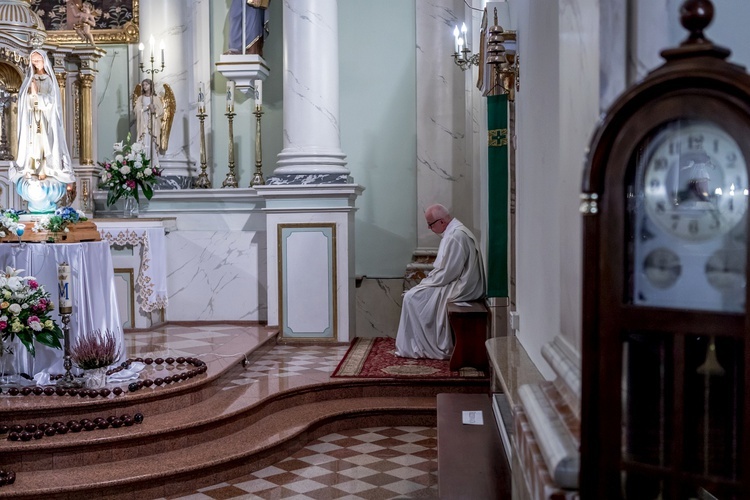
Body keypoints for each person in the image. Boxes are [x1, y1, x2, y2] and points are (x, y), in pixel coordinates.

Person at [395, 204, 486, 360]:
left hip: (462, 286)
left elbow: (448, 273)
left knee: (412, 298)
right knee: (413, 296)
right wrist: (428, 281)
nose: (429, 228)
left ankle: (424, 346)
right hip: (456, 281)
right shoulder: (453, 232)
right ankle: (416, 344)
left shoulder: (456, 236)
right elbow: (447, 270)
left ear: (442, 221)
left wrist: (426, 283)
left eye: (430, 224)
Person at [10, 49, 75, 212]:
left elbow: (52, 104)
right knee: (33, 145)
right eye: (33, 61)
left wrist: (37, 95)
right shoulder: (29, 79)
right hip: (32, 120)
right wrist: (30, 95)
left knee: (45, 144)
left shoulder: (49, 80)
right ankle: (33, 168)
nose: (35, 64)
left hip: (45, 121)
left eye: (38, 61)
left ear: (44, 61)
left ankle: (45, 170)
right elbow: (23, 101)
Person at [134, 78, 164, 165]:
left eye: (146, 84)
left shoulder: (156, 98)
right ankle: (142, 163)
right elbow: (137, 110)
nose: (144, 86)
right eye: (143, 85)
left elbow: (161, 112)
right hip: (143, 124)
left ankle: (153, 164)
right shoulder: (141, 98)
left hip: (153, 125)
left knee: (152, 143)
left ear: (151, 86)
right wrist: (146, 108)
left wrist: (154, 111)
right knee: (144, 141)